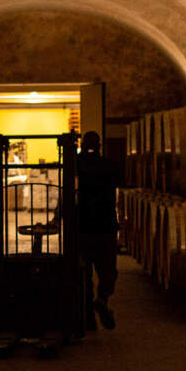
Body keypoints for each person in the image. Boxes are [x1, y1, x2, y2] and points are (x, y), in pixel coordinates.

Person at [77, 132, 119, 330]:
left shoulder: (75, 164)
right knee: (108, 271)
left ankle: (87, 316)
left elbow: (68, 192)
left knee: (83, 273)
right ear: (100, 145)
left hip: (82, 227)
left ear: (82, 145)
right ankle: (102, 299)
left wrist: (58, 216)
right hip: (106, 227)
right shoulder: (108, 166)